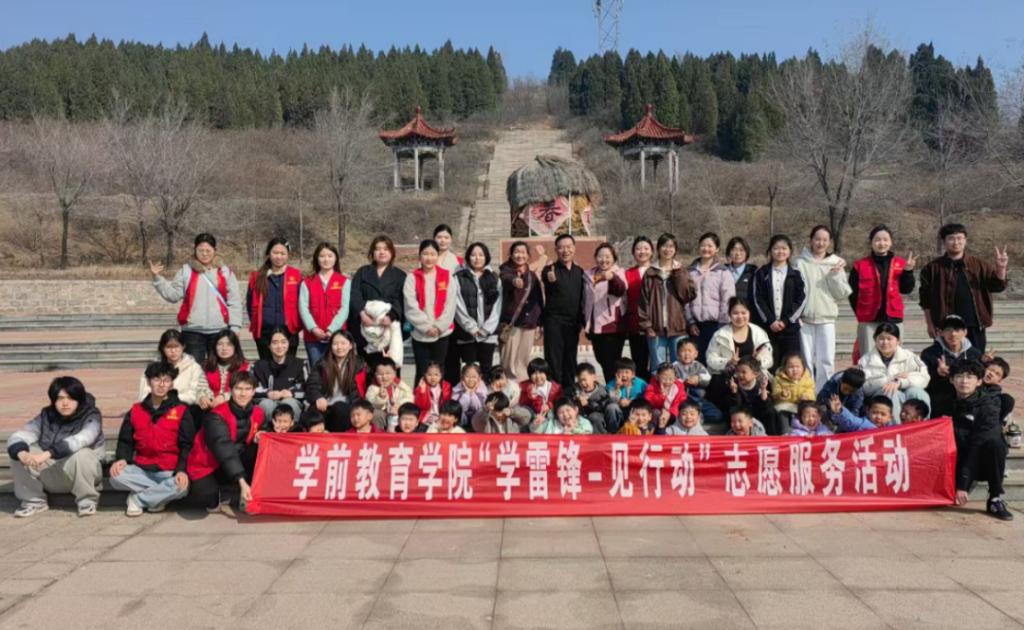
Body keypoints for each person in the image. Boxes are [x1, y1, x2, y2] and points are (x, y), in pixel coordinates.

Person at [8, 376, 105, 518]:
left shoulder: (92, 416)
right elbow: (22, 434)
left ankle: (87, 500)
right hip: (52, 472)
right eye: (60, 398)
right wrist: (22, 453)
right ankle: (34, 501)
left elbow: (82, 439)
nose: (65, 403)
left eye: (70, 398)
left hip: (82, 473)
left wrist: (47, 454)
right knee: (17, 451)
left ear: (79, 399)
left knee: (83, 453)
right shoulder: (46, 415)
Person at [111, 362, 194, 516]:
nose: (161, 384)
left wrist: (181, 470)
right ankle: (157, 498)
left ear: (171, 384)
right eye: (156, 379)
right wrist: (122, 458)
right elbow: (125, 440)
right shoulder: (136, 410)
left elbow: (187, 445)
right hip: (141, 469)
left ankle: (137, 499)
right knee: (116, 476)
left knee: (181, 487)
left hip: (169, 471)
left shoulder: (181, 410)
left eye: (166, 380)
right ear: (149, 382)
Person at [150, 233, 243, 363]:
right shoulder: (186, 271)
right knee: (193, 369)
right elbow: (173, 295)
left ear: (215, 250)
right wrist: (157, 278)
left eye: (208, 250)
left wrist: (235, 327)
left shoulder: (225, 272)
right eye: (201, 250)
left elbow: (234, 302)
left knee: (219, 368)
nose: (204, 254)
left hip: (220, 330)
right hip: (192, 331)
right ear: (195, 250)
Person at [919, 223, 1009, 353]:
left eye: (959, 238)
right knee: (947, 361)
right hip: (946, 326)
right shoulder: (932, 268)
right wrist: (930, 324)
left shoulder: (979, 265)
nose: (956, 242)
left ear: (965, 240)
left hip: (974, 324)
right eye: (951, 238)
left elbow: (998, 286)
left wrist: (1001, 268)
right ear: (944, 241)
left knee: (975, 359)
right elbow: (925, 300)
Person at [186, 371, 261, 512]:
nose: (243, 394)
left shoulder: (258, 412)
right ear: (231, 390)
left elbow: (260, 431)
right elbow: (224, 448)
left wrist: (260, 434)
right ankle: (233, 490)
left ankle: (244, 490)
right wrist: (242, 482)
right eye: (238, 389)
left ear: (253, 391)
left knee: (261, 446)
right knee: (207, 498)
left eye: (247, 389)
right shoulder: (216, 415)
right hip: (209, 464)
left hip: (236, 460)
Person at [949, 361, 1013, 520]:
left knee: (995, 443)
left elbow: (977, 444)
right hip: (954, 455)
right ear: (951, 379)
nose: (964, 381)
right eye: (959, 376)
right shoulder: (944, 402)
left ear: (978, 381)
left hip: (978, 456)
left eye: (970, 377)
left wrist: (963, 484)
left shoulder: (989, 406)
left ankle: (995, 498)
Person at [794, 225, 852, 390]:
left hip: (826, 319)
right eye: (817, 239)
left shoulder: (835, 263)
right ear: (811, 240)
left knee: (826, 360)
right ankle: (807, 393)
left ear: (830, 242)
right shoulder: (800, 263)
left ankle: (823, 393)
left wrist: (835, 275)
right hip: (804, 319)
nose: (821, 243)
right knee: (805, 360)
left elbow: (841, 294)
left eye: (825, 240)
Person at [848, 225, 916, 362]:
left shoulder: (900, 263)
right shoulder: (860, 265)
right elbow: (852, 293)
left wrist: (908, 271)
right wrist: (861, 313)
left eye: (885, 240)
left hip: (893, 317)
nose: (882, 243)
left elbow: (906, 289)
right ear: (871, 242)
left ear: (891, 242)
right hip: (868, 319)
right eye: (877, 240)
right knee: (868, 358)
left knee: (895, 358)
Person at [638, 233, 695, 374]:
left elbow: (687, 295)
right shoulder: (650, 273)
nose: (668, 249)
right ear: (658, 248)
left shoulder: (682, 270)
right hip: (655, 328)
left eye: (671, 246)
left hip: (678, 327)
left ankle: (679, 390)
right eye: (664, 246)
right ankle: (657, 389)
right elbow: (643, 302)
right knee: (657, 368)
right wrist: (647, 325)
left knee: (680, 366)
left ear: (675, 249)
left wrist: (678, 274)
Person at [404, 239, 458, 386]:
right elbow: (410, 305)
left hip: (442, 333)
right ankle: (421, 399)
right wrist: (426, 327)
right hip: (420, 333)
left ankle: (439, 398)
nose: (429, 258)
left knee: (439, 370)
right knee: (422, 370)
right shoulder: (412, 278)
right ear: (420, 256)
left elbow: (450, 304)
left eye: (433, 254)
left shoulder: (446, 276)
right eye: (425, 254)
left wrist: (439, 327)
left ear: (437, 256)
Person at [349, 235, 407, 371]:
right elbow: (354, 294)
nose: (382, 252)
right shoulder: (363, 273)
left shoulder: (400, 276)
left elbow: (401, 300)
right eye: (378, 249)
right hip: (365, 327)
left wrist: (391, 316)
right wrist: (362, 314)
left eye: (386, 249)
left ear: (392, 252)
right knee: (367, 370)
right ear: (372, 252)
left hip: (388, 329)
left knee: (389, 371)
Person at [705, 298, 773, 410]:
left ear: (749, 313)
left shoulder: (758, 333)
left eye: (743, 313)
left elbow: (769, 359)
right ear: (729, 315)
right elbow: (710, 359)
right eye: (735, 313)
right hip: (729, 376)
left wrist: (757, 361)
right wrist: (728, 362)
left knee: (766, 387)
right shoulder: (720, 334)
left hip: (752, 376)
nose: (740, 316)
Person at [752, 234, 807, 370]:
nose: (780, 251)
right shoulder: (761, 273)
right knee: (769, 364)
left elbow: (802, 298)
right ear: (770, 250)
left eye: (784, 248)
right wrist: (770, 321)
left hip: (790, 329)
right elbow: (758, 298)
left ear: (790, 251)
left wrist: (786, 321)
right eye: (776, 248)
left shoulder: (796, 273)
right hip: (768, 328)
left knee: (791, 363)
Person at [857, 323, 930, 422]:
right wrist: (891, 379)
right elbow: (864, 387)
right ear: (875, 340)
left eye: (889, 338)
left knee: (917, 392)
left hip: (905, 392)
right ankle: (896, 428)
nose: (885, 342)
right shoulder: (865, 360)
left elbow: (924, 377)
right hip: (880, 397)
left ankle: (925, 427)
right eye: (881, 338)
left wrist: (900, 382)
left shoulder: (909, 356)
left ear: (898, 341)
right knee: (890, 391)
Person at [541, 234, 586, 390]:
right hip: (554, 323)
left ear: (574, 248)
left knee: (570, 359)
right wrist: (549, 277)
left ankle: (569, 392)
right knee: (554, 359)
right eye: (561, 248)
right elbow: (547, 277)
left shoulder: (579, 271)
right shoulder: (550, 269)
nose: (565, 251)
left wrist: (582, 321)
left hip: (573, 323)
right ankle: (554, 393)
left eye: (568, 247)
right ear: (556, 250)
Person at [247, 237, 303, 361]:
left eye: (283, 253)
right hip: (265, 333)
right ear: (268, 253)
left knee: (288, 367)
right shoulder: (257, 276)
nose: (279, 257)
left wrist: (296, 325)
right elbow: (250, 304)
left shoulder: (296, 275)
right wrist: (258, 322)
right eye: (275, 253)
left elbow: (302, 303)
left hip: (289, 331)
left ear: (288, 255)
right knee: (266, 367)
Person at [452, 242, 502, 383]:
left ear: (486, 257)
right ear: (468, 257)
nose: (477, 258)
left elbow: (497, 306)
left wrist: (486, 329)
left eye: (481, 255)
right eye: (473, 255)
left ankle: (484, 396)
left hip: (488, 334)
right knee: (469, 370)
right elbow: (457, 305)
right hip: (467, 333)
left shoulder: (494, 278)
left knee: (486, 369)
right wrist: (471, 327)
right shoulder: (459, 277)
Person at [498, 240, 545, 382]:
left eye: (523, 252)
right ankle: (508, 388)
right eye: (516, 252)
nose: (520, 255)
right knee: (508, 361)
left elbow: (538, 300)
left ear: (528, 255)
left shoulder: (532, 276)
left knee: (523, 361)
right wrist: (515, 281)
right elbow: (507, 279)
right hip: (511, 324)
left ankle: (522, 387)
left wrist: (540, 323)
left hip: (529, 323)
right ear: (511, 255)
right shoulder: (505, 271)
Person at [299, 242, 351, 369]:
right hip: (313, 338)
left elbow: (345, 308)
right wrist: (313, 328)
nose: (326, 259)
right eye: (322, 256)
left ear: (336, 258)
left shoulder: (344, 281)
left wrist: (332, 329)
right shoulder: (307, 282)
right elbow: (303, 308)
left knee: (339, 370)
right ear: (316, 259)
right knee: (317, 371)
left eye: (330, 256)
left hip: (337, 336)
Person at [685, 232, 735, 361]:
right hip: (695, 325)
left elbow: (728, 299)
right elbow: (685, 299)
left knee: (714, 359)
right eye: (703, 245)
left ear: (716, 249)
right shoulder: (689, 271)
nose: (706, 249)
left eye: (710, 246)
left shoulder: (722, 272)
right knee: (696, 360)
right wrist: (690, 322)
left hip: (715, 324)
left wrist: (723, 323)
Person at [305, 330, 368, 432]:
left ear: (350, 345)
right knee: (312, 413)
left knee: (340, 408)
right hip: (325, 405)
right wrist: (318, 397)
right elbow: (312, 385)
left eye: (343, 343)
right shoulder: (322, 364)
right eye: (335, 344)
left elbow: (369, 383)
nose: (339, 347)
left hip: (348, 407)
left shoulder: (359, 365)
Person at [921, 314, 983, 417]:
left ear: (965, 332)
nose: (953, 334)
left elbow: (980, 377)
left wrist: (986, 363)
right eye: (948, 330)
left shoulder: (974, 353)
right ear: (940, 332)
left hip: (969, 395)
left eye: (957, 330)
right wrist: (937, 373)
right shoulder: (929, 353)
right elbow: (922, 379)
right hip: (941, 396)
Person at [583, 242, 628, 383]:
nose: (604, 260)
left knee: (612, 363)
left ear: (614, 258)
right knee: (601, 359)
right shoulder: (589, 275)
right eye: (600, 256)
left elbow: (620, 289)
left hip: (612, 326)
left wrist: (612, 278)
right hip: (594, 326)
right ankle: (611, 387)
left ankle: (615, 389)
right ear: (596, 257)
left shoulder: (618, 273)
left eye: (608, 256)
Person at [139, 329, 211, 407]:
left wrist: (170, 399)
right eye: (168, 347)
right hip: (158, 407)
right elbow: (144, 395)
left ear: (183, 346)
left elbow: (194, 395)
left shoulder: (194, 367)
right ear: (162, 348)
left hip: (184, 407)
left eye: (176, 346)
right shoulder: (153, 368)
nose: (173, 351)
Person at [252, 327, 308, 422]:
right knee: (267, 404)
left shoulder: (299, 364)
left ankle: (292, 429)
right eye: (275, 343)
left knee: (288, 403)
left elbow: (307, 388)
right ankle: (269, 430)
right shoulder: (259, 365)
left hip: (291, 400)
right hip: (267, 400)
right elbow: (252, 389)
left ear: (288, 343)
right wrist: (267, 393)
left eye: (283, 342)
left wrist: (291, 393)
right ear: (269, 345)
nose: (279, 346)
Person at [624, 236, 654, 381]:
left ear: (652, 251)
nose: (642, 252)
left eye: (646, 248)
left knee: (656, 363)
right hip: (635, 324)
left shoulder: (658, 271)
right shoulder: (628, 274)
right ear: (633, 252)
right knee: (639, 362)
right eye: (638, 249)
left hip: (656, 325)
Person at [672, 338, 722, 424]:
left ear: (696, 354)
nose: (686, 354)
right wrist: (683, 382)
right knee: (673, 415)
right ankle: (689, 418)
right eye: (683, 351)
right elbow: (671, 379)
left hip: (697, 400)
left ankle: (698, 418)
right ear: (677, 354)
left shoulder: (698, 365)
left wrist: (698, 379)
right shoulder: (674, 366)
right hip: (681, 400)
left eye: (689, 351)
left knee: (717, 415)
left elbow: (707, 377)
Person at [199, 329, 249, 411]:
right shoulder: (206, 366)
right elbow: (201, 387)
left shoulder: (244, 367)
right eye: (220, 344)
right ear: (215, 347)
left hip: (235, 406)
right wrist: (203, 397)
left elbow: (244, 390)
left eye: (229, 344)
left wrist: (224, 397)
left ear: (235, 347)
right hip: (211, 405)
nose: (224, 348)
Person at [728, 358, 780, 435]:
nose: (740, 375)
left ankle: (771, 437)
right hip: (743, 414)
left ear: (755, 374)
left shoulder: (761, 385)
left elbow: (766, 404)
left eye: (743, 372)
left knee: (770, 412)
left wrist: (763, 390)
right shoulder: (734, 385)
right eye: (738, 371)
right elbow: (735, 406)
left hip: (758, 412)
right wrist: (734, 392)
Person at [365, 357, 414, 431]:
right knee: (376, 414)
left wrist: (399, 406)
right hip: (383, 418)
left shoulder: (400, 386)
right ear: (375, 375)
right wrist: (380, 398)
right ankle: (378, 434)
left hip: (398, 417)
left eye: (388, 373)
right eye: (380, 374)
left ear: (394, 373)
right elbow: (370, 402)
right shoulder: (373, 388)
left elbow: (410, 397)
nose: (384, 377)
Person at [605, 358, 648, 434]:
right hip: (619, 413)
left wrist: (632, 402)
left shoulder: (642, 384)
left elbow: (646, 400)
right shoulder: (610, 385)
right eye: (621, 372)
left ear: (633, 374)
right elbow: (608, 401)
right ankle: (613, 433)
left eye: (627, 372)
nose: (624, 375)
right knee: (611, 407)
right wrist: (617, 389)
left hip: (635, 412)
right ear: (616, 374)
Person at [516, 358, 562, 425]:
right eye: (534, 373)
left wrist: (549, 405)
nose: (538, 376)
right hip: (533, 416)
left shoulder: (555, 387)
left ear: (546, 373)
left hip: (550, 415)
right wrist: (532, 397)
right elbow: (523, 404)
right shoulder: (525, 387)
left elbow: (559, 401)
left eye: (541, 372)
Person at [644, 363, 688, 433]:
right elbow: (648, 401)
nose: (667, 381)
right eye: (664, 378)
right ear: (657, 377)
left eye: (670, 378)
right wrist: (661, 396)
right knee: (656, 413)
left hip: (673, 413)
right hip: (658, 414)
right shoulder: (652, 386)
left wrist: (670, 412)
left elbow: (681, 401)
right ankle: (654, 432)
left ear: (675, 378)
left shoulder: (678, 387)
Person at [771, 353, 816, 421]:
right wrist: (782, 394)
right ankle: (785, 428)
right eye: (790, 367)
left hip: (801, 406)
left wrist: (807, 396)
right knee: (782, 413)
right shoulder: (778, 379)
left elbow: (811, 391)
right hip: (785, 406)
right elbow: (775, 393)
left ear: (803, 367)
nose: (794, 370)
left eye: (797, 367)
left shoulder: (807, 379)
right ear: (784, 368)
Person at [572, 362, 609, 434]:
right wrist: (577, 402)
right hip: (579, 419)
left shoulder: (603, 393)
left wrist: (588, 404)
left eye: (584, 380)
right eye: (580, 381)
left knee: (594, 417)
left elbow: (603, 409)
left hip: (597, 419)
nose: (582, 383)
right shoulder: (573, 390)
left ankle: (599, 438)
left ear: (594, 377)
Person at [412, 362, 451, 427]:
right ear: (425, 375)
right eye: (429, 375)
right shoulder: (421, 387)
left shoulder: (446, 386)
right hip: (427, 417)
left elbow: (447, 403)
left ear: (441, 375)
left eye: (436, 375)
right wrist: (422, 392)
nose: (433, 378)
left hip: (441, 415)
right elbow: (420, 406)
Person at [829, 395, 896, 433]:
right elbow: (851, 420)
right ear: (868, 411)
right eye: (875, 413)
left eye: (883, 414)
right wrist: (840, 410)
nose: (878, 417)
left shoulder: (893, 431)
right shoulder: (862, 424)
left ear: (890, 417)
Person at [451, 363, 488, 428]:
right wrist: (467, 392)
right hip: (462, 419)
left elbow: (478, 408)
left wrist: (473, 393)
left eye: (474, 377)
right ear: (462, 377)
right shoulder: (458, 388)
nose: (470, 380)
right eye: (467, 376)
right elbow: (459, 408)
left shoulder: (483, 389)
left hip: (477, 419)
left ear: (479, 377)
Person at [982, 357, 1015, 425]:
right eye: (991, 370)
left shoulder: (999, 399)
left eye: (997, 374)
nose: (991, 374)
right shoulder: (968, 384)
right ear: (984, 368)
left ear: (1000, 380)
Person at [725, 237, 756, 305]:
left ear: (747, 252)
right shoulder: (722, 271)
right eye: (734, 250)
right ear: (729, 252)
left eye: (741, 250)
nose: (738, 253)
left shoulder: (754, 272)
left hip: (746, 310)